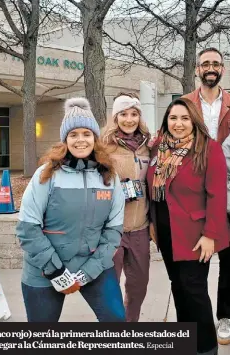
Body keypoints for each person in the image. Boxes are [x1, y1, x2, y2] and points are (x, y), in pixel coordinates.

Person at [16, 97, 126, 322]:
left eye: (86, 134)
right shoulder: (47, 175)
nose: (80, 140)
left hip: (92, 265)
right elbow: (28, 228)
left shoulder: (109, 177)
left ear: (95, 138)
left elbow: (113, 231)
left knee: (116, 320)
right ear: (65, 139)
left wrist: (89, 272)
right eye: (73, 135)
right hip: (44, 271)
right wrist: (56, 272)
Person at [147, 98, 229, 355]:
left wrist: (210, 235)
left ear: (194, 120)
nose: (179, 124)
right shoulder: (160, 148)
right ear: (166, 121)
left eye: (185, 118)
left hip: (194, 234)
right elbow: (155, 190)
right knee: (177, 285)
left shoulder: (208, 149)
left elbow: (217, 195)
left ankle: (206, 348)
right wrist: (152, 222)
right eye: (173, 118)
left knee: (193, 290)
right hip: (166, 230)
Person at [184, 47, 230, 345]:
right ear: (197, 70)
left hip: (228, 189)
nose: (210, 68)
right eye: (205, 64)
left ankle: (225, 316)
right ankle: (197, 319)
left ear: (222, 69)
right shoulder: (185, 103)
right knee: (195, 260)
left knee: (229, 259)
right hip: (195, 193)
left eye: (216, 63)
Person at [102, 92, 151, 322]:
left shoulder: (147, 146)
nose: (129, 119)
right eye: (123, 114)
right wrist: (116, 190)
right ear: (115, 117)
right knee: (109, 287)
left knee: (138, 286)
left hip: (140, 227)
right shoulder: (104, 147)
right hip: (113, 229)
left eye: (134, 114)